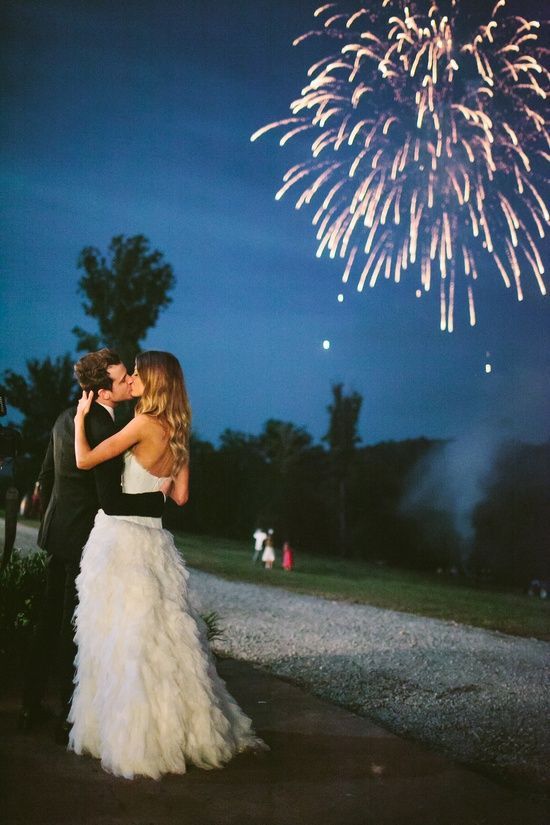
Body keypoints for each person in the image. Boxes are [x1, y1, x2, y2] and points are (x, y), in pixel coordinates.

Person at [70, 350, 266, 779]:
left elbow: (85, 461)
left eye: (138, 374)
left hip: (121, 540)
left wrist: (78, 424)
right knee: (163, 641)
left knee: (125, 640)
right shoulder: (177, 431)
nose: (133, 379)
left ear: (154, 381)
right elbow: (180, 498)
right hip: (155, 543)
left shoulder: (140, 424)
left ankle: (134, 739)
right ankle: (180, 732)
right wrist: (156, 489)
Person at [19, 349, 165, 741]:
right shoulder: (101, 425)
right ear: (103, 392)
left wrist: (52, 520)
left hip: (56, 533)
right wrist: (158, 499)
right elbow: (110, 501)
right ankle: (71, 716)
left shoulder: (65, 417)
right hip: (84, 539)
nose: (128, 383)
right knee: (74, 627)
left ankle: (30, 704)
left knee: (47, 623)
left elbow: (46, 475)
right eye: (121, 381)